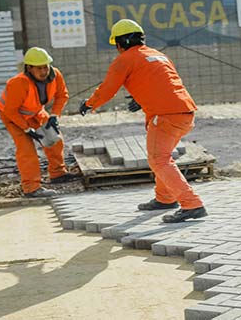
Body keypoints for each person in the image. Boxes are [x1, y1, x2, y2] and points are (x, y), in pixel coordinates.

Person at [79, 19, 206, 223]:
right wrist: (140, 100)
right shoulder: (158, 55)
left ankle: (192, 204)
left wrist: (89, 104)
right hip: (185, 112)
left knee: (159, 159)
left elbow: (108, 88)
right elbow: (163, 82)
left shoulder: (125, 59)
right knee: (163, 158)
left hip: (165, 116)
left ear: (120, 43)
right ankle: (165, 199)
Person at [0, 47, 75, 198]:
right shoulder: (18, 83)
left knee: (55, 139)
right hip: (14, 117)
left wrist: (54, 115)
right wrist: (26, 129)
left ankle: (58, 174)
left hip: (35, 111)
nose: (44, 71)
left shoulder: (55, 75)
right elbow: (11, 111)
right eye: (39, 68)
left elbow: (62, 95)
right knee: (27, 150)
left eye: (45, 67)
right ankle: (31, 188)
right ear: (29, 68)